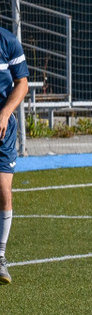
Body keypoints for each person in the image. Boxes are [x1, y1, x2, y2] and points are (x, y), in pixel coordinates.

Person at [0, 26, 26, 284]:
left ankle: (0, 256)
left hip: (3, 129)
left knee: (3, 189)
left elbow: (22, 84)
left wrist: (5, 113)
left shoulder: (8, 42)